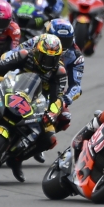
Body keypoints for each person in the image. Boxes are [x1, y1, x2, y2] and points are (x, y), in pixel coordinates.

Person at [0, 34, 67, 182]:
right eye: (44, 57)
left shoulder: (59, 73)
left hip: (36, 101)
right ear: (36, 52)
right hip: (11, 86)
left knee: (50, 139)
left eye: (52, 59)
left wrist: (52, 114)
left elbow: (57, 99)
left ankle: (16, 158)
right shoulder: (24, 55)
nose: (48, 63)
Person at [14, 18, 85, 163]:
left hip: (48, 90)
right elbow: (15, 53)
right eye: (58, 39)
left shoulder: (76, 56)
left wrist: (65, 99)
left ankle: (35, 144)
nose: (60, 45)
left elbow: (76, 86)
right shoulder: (38, 41)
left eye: (66, 41)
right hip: (24, 78)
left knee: (65, 118)